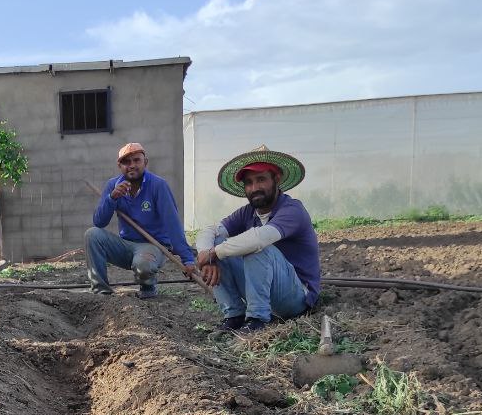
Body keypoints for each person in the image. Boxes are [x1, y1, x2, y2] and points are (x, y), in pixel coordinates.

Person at [195, 145, 320, 334]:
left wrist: (214, 254)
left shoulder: (292, 210)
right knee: (218, 240)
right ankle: (234, 315)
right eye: (249, 182)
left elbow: (259, 239)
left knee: (256, 247)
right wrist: (206, 254)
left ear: (276, 180)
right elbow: (210, 229)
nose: (254, 188)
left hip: (295, 297)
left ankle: (256, 320)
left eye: (261, 179)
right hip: (267, 292)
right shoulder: (248, 212)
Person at [85, 142, 196, 299]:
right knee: (92, 234)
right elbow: (99, 222)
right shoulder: (113, 185)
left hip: (153, 246)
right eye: (126, 162)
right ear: (119, 166)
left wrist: (188, 259)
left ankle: (148, 287)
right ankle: (101, 292)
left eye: (136, 160)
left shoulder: (158, 185)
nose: (131, 166)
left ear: (145, 162)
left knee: (143, 265)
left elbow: (173, 224)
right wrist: (112, 198)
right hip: (126, 245)